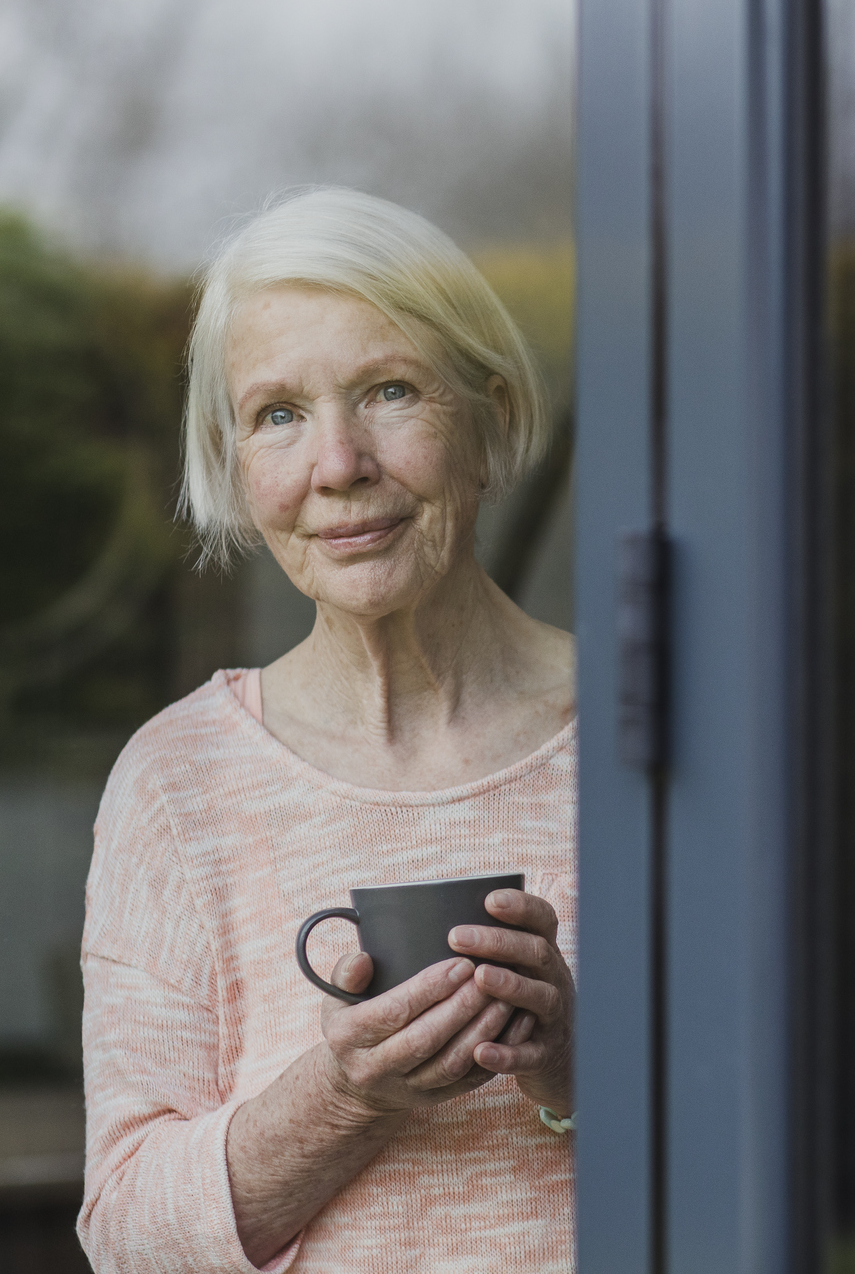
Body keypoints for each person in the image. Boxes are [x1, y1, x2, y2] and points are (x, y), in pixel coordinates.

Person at [75, 187, 577, 1273]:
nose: (337, 465)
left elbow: (795, 1135)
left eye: (389, 390)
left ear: (487, 416)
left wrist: (582, 1069)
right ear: (238, 460)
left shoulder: (653, 740)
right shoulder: (180, 779)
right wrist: (341, 1095)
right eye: (279, 414)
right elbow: (124, 1236)